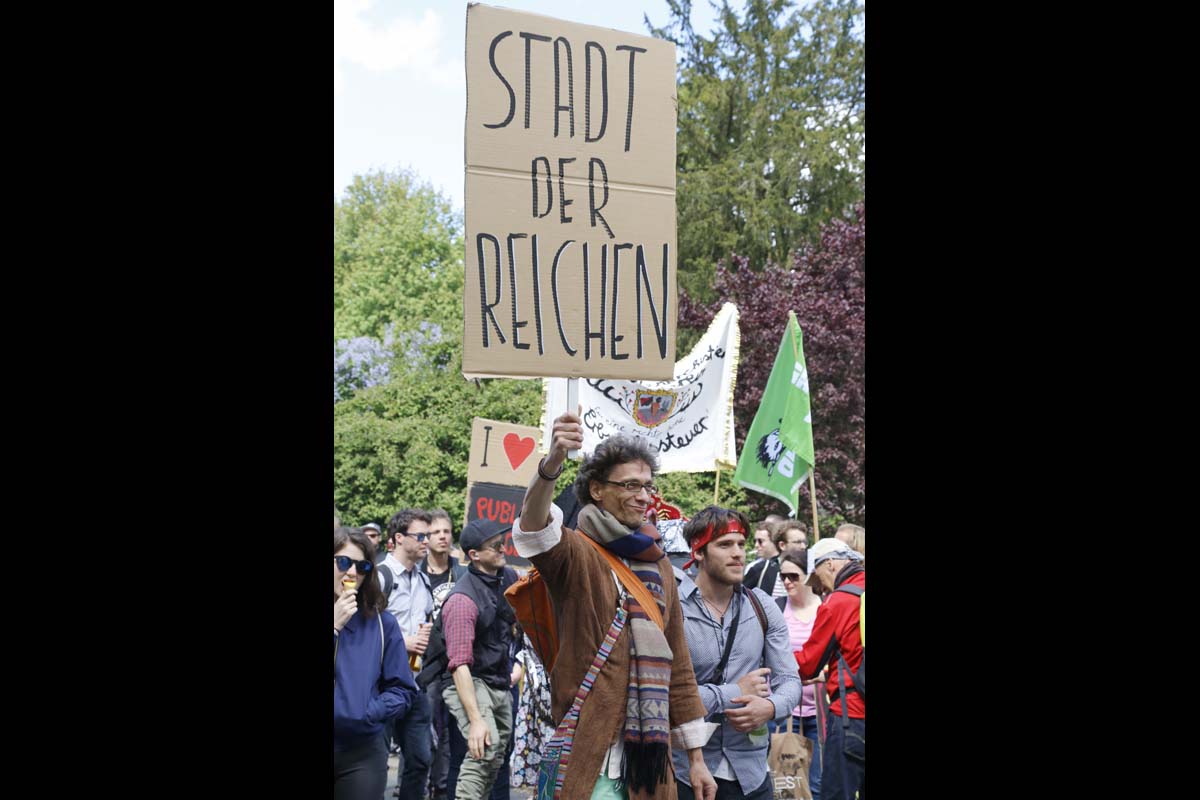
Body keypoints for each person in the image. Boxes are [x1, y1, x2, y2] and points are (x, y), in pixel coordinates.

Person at [514, 408, 718, 800]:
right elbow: (534, 525)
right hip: (592, 753)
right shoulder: (575, 551)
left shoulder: (658, 562)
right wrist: (552, 461)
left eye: (647, 486)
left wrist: (696, 758)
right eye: (629, 486)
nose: (643, 496)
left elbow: (679, 665)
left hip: (650, 763)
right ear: (596, 490)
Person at [672, 506, 801, 800]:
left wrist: (770, 708)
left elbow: (790, 680)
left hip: (753, 775)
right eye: (725, 545)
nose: (738, 553)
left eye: (742, 544)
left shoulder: (762, 606)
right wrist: (734, 692)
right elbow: (669, 695)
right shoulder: (673, 609)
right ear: (699, 552)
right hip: (690, 775)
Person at [334, 527, 419, 800]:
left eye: (362, 567)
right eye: (343, 562)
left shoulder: (382, 623)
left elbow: (403, 690)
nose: (351, 574)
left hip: (362, 752)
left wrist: (368, 711)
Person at [439, 519, 520, 800]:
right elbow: (459, 664)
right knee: (484, 750)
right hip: (467, 680)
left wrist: (518, 664)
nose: (503, 549)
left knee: (497, 755)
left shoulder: (507, 577)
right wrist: (475, 719)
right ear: (474, 555)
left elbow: (521, 624)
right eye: (495, 546)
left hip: (498, 680)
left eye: (503, 542)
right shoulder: (462, 600)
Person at [793, 539, 865, 800]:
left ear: (831, 564)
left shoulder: (839, 601)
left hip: (852, 719)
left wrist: (773, 659)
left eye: (818, 578)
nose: (819, 588)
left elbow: (807, 664)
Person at [379, 508, 435, 798]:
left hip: (413, 683)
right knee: (375, 764)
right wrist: (406, 641)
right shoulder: (381, 576)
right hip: (380, 685)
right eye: (421, 535)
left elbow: (426, 627)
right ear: (399, 538)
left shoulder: (423, 581)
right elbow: (364, 627)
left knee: (420, 759)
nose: (427, 541)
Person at [421, 508, 468, 800]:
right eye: (435, 532)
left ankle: (442, 787)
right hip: (424, 664)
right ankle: (415, 782)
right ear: (425, 538)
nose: (442, 536)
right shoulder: (417, 574)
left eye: (446, 531)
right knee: (423, 727)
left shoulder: (461, 572)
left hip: (453, 663)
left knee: (453, 730)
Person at [776, 552, 823, 800]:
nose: (787, 582)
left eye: (793, 576)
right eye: (782, 576)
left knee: (817, 783)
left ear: (809, 576)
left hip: (820, 709)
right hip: (787, 712)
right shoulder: (777, 607)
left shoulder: (826, 606)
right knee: (788, 786)